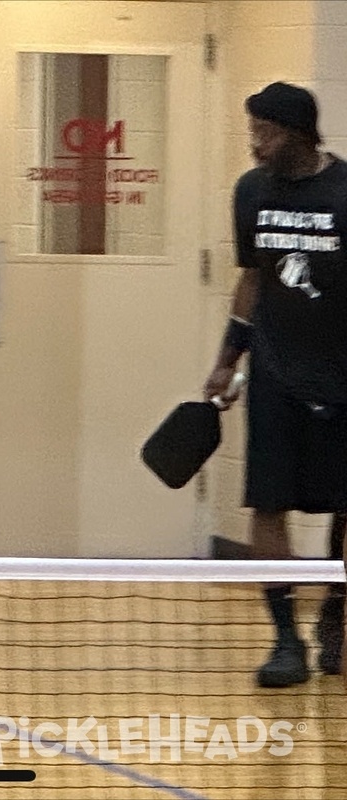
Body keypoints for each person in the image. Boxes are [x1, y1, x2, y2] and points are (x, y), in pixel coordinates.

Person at [205, 82, 347, 687]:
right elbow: (252, 280)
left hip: (342, 379)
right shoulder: (250, 192)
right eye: (252, 130)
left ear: (297, 133)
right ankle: (285, 638)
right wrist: (227, 359)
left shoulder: (346, 191)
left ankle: (336, 617)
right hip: (274, 375)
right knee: (268, 503)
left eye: (264, 132)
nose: (255, 144)